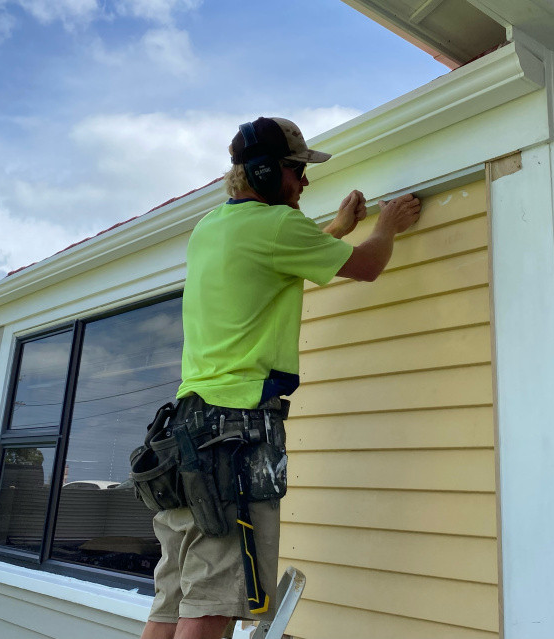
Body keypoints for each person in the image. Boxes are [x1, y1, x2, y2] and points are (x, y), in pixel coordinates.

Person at [141, 116, 420, 639]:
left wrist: (336, 229)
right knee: (215, 601)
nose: (304, 182)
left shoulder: (212, 227)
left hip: (185, 432)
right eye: (296, 170)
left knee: (174, 597)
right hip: (235, 433)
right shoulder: (277, 229)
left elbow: (280, 258)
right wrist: (388, 226)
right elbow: (365, 266)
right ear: (267, 172)